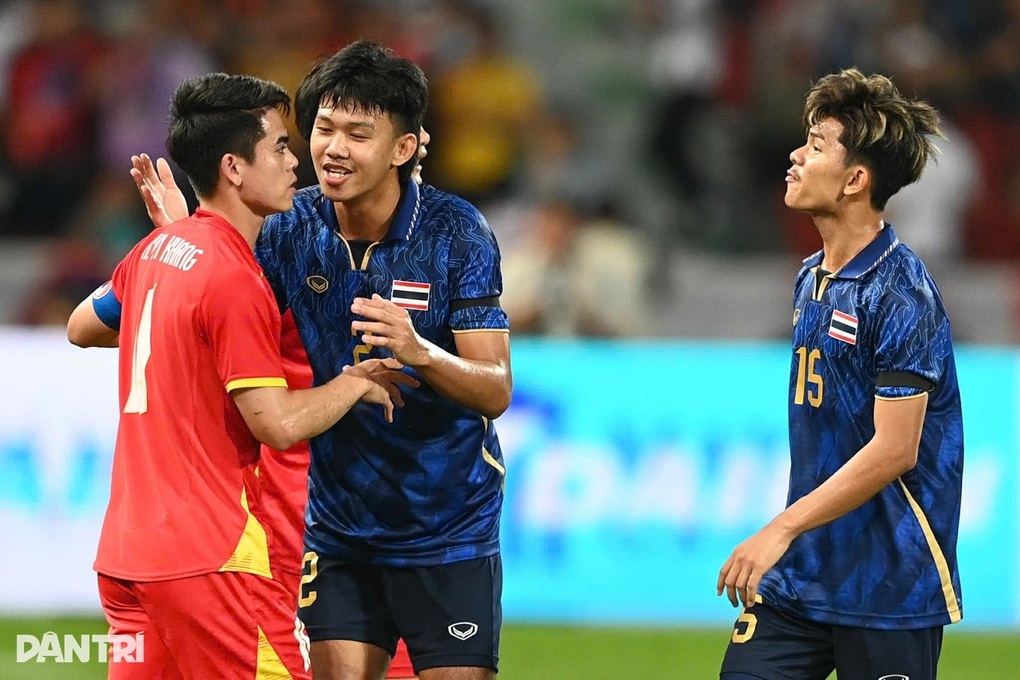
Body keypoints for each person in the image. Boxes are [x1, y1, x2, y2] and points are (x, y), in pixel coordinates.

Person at [130, 40, 512, 680]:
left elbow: (495, 387)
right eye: (324, 129)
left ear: (404, 148)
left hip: (449, 529)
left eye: (358, 134)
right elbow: (217, 310)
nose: (333, 148)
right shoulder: (291, 227)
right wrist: (189, 236)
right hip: (339, 529)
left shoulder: (456, 232)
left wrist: (419, 351)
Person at [66, 72, 416, 680]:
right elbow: (276, 425)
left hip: (126, 555)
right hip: (213, 552)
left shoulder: (158, 250)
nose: (295, 160)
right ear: (233, 167)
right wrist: (355, 382)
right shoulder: (238, 277)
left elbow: (81, 326)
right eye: (281, 147)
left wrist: (182, 267)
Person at [715, 68, 964, 680]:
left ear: (856, 179)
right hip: (805, 574)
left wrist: (779, 528)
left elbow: (895, 450)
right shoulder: (811, 277)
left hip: (890, 586)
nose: (796, 156)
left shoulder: (902, 293)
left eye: (817, 145)